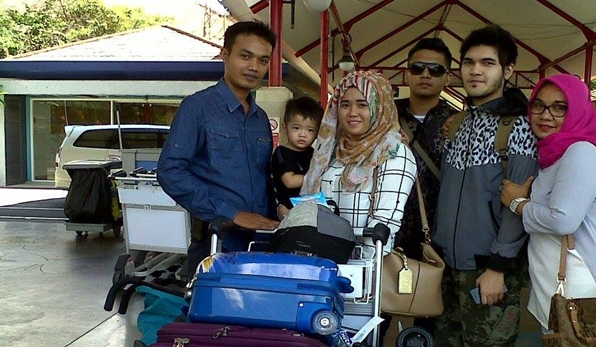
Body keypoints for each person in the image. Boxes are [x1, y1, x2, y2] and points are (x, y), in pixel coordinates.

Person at [500, 74, 596, 347]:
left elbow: (563, 219)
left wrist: (517, 203)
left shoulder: (580, 153)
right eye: (539, 106)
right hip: (562, 287)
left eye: (560, 107)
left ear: (578, 111)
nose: (546, 115)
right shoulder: (555, 153)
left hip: (577, 291)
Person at [432, 25, 538, 347]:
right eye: (469, 62)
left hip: (489, 267)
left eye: (488, 63)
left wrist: (498, 267)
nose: (476, 70)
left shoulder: (519, 126)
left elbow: (518, 208)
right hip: (450, 263)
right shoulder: (459, 123)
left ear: (508, 70)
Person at [157, 21, 280, 280]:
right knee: (213, 306)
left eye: (263, 60)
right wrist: (232, 213)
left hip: (261, 242)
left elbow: (264, 177)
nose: (254, 67)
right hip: (216, 241)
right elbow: (170, 171)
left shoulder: (260, 118)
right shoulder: (198, 107)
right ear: (225, 55)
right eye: (245, 56)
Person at [393, 37, 456, 347]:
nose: (425, 75)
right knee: (373, 315)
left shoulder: (458, 122)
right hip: (385, 235)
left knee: (430, 324)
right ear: (407, 72)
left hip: (437, 238)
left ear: (448, 77)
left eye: (435, 69)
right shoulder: (383, 115)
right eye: (418, 67)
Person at [301, 70, 417, 258]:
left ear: (380, 107)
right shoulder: (331, 150)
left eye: (362, 104)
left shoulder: (393, 153)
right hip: (321, 260)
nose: (352, 113)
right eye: (345, 105)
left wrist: (359, 270)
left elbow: (383, 226)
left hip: (363, 266)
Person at [271, 96, 324, 211]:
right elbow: (290, 181)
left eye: (310, 130)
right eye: (296, 128)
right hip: (286, 205)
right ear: (285, 127)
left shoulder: (313, 153)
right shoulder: (282, 152)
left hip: (308, 203)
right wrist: (320, 178)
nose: (302, 134)